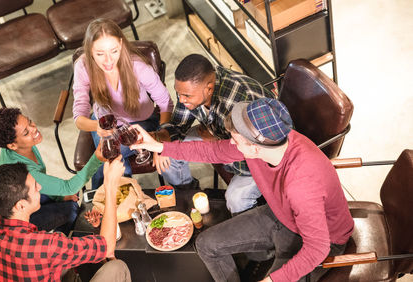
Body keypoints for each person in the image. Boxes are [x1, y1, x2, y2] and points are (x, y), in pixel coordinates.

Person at [131, 98, 354, 281]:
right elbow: (213, 152)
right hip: (281, 214)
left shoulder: (301, 185)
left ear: (254, 147)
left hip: (321, 240)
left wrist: (272, 280)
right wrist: (157, 145)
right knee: (205, 244)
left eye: (236, 140)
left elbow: (318, 248)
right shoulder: (272, 142)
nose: (231, 144)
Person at [153, 53, 276, 213]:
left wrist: (216, 140)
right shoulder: (191, 89)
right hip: (221, 137)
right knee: (169, 156)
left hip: (257, 157)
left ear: (209, 88)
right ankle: (191, 195)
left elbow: (247, 154)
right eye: (179, 94)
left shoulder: (237, 101)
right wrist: (163, 143)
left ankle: (247, 224)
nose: (181, 100)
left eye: (187, 96)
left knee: (235, 199)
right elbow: (178, 125)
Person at [0, 158, 131, 281]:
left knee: (67, 240)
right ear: (20, 206)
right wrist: (110, 186)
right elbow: (107, 247)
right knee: (117, 267)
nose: (40, 187)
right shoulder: (47, 246)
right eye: (35, 187)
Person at [72, 18, 174, 189]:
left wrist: (163, 140)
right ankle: (117, 196)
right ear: (90, 50)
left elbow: (165, 103)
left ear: (121, 44)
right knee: (107, 154)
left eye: (114, 51)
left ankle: (105, 197)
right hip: (105, 124)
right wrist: (97, 126)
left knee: (107, 155)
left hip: (144, 121)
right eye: (99, 53)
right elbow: (79, 117)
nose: (108, 60)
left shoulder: (138, 67)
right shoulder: (83, 66)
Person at [0, 107, 103, 234]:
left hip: (15, 196)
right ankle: (62, 242)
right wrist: (98, 158)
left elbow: (55, 186)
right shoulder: (22, 170)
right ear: (12, 145)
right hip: (5, 225)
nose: (34, 128)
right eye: (26, 133)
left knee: (70, 196)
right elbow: (68, 187)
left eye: (30, 122)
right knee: (70, 208)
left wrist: (59, 197)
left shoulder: (17, 147)